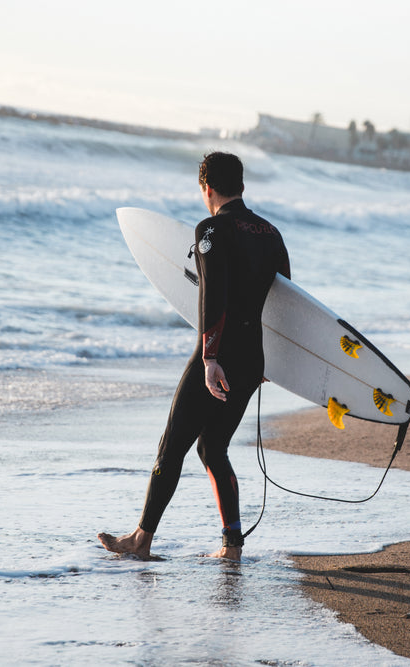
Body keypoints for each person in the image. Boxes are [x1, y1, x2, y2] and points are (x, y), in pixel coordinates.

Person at [98, 152, 290, 561]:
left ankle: (141, 540)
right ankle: (231, 546)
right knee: (212, 448)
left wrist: (209, 357)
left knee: (172, 448)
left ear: (207, 188)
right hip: (252, 359)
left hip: (220, 357)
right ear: (240, 184)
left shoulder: (212, 229)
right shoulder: (271, 234)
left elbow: (212, 296)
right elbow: (285, 305)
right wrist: (271, 362)